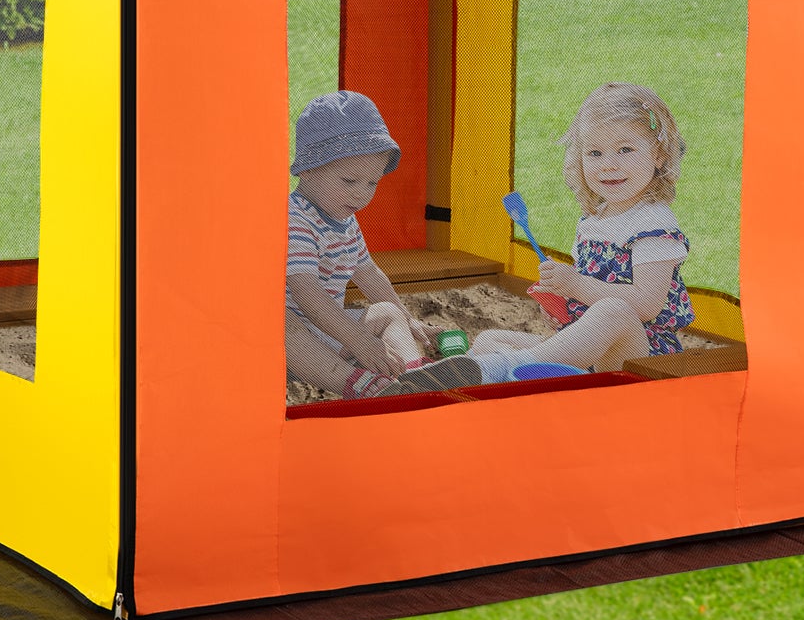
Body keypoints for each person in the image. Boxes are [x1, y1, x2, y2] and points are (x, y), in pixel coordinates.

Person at [466, 82, 695, 374]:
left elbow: (646, 306)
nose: (608, 165)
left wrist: (575, 284)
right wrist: (563, 301)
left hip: (640, 356)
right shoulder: (592, 221)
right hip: (592, 354)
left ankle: (512, 368)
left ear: (659, 155)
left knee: (615, 311)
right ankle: (467, 377)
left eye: (625, 150)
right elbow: (588, 293)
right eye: (595, 153)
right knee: (490, 339)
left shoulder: (653, 223)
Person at [285, 91, 434, 399]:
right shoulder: (295, 216)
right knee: (278, 323)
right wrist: (358, 340)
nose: (361, 195)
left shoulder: (346, 220)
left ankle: (415, 374)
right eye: (350, 181)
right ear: (309, 169)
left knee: (388, 311)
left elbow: (368, 272)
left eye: (372, 183)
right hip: (294, 338)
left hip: (332, 329)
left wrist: (408, 318)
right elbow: (304, 291)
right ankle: (360, 385)